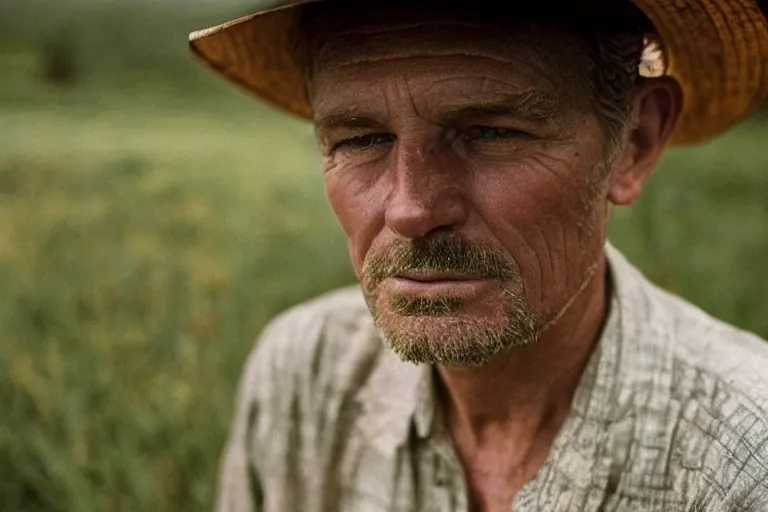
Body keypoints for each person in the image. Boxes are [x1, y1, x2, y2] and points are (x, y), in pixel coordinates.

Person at [190, 1, 768, 510]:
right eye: (363, 140)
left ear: (635, 141)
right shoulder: (301, 373)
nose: (410, 210)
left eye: (492, 132)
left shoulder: (743, 461)